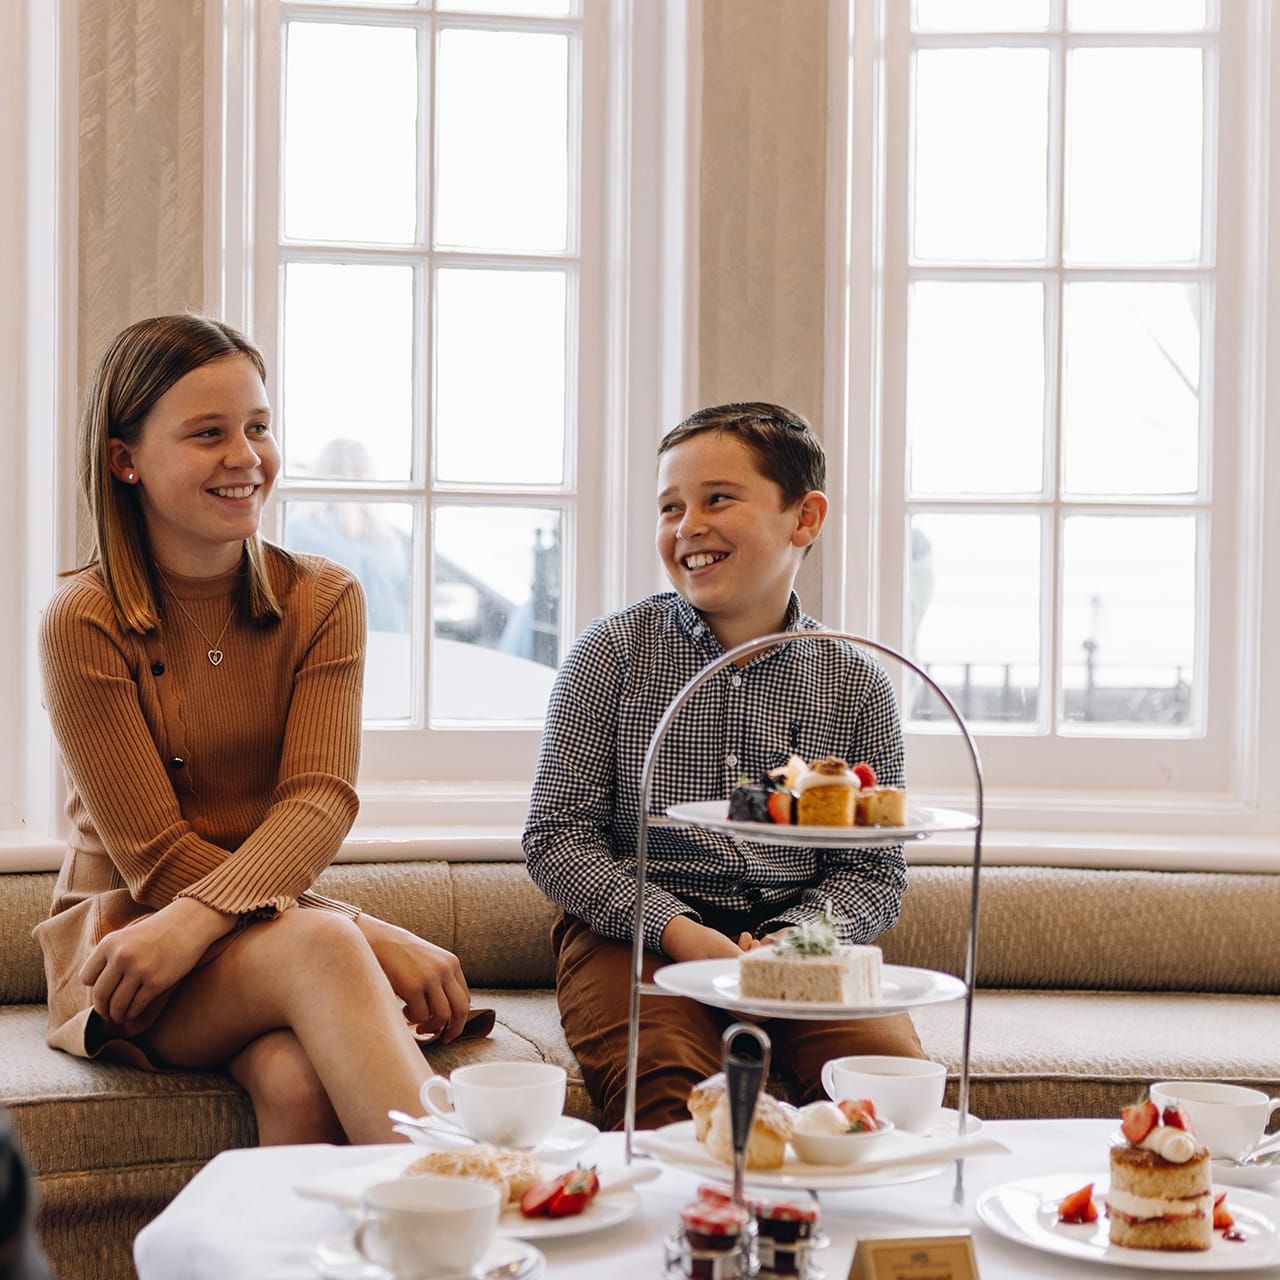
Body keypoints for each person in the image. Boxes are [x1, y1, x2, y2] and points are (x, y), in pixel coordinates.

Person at [35, 314, 476, 1147]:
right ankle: (467, 1198)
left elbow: (317, 801)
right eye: (208, 433)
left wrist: (221, 918)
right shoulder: (83, 620)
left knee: (296, 1083)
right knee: (323, 949)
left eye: (259, 427)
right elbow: (155, 857)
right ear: (125, 460)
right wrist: (360, 929)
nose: (246, 456)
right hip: (132, 949)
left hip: (237, 932)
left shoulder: (325, 599)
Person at [523, 402, 925, 1130]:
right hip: (635, 934)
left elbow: (873, 870)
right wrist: (679, 930)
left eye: (717, 499)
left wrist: (792, 944)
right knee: (672, 1091)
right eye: (670, 507)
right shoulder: (612, 654)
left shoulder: (855, 683)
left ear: (805, 518)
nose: (688, 526)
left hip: (799, 941)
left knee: (888, 1093)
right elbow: (557, 837)